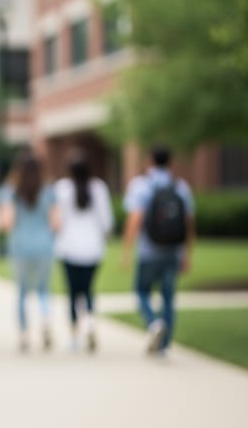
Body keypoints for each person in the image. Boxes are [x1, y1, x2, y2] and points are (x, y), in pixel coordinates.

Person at [123, 145, 195, 357]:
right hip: (174, 251)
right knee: (168, 297)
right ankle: (163, 345)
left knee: (142, 291)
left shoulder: (141, 185)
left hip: (148, 251)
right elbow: (189, 222)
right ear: (171, 163)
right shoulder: (181, 187)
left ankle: (154, 323)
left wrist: (126, 249)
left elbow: (135, 218)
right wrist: (187, 253)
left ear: (149, 162)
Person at [54, 153, 113, 352]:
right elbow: (106, 222)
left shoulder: (62, 189)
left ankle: (74, 335)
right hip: (92, 248)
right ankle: (90, 325)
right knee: (88, 290)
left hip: (69, 248)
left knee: (72, 292)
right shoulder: (99, 188)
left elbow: (57, 221)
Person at [0, 154, 58, 352]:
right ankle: (45, 319)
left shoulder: (11, 192)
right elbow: (56, 224)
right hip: (44, 246)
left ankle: (24, 335)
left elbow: (6, 224)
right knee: (43, 289)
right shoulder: (49, 191)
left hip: (20, 246)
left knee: (23, 292)